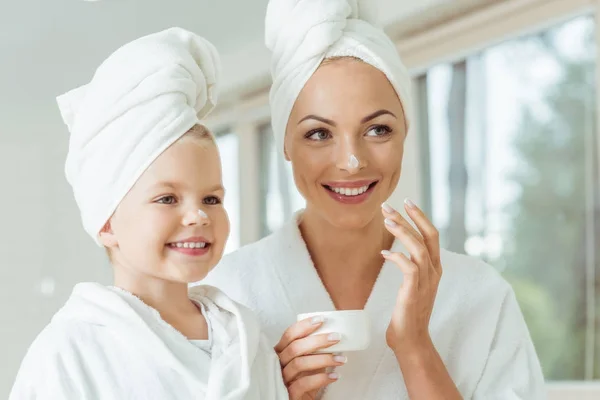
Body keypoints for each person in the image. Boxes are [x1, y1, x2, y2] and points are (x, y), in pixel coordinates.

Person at [203, 1, 546, 399]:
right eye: (318, 133)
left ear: (405, 135)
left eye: (378, 129)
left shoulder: (480, 297)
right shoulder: (228, 295)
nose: (351, 161)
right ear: (285, 144)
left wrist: (415, 347)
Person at [10, 27, 287, 400]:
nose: (198, 216)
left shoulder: (246, 337)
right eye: (168, 199)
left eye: (211, 199)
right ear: (106, 222)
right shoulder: (69, 351)